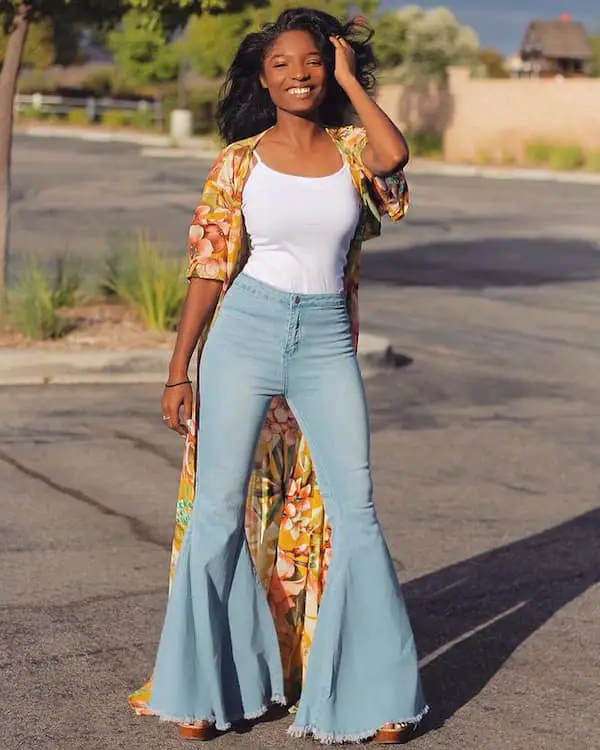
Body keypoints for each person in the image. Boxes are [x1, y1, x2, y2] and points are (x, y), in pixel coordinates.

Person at [129, 7, 428, 744]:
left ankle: (379, 696)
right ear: (262, 81)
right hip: (246, 331)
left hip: (325, 337)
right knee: (217, 513)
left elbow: (396, 156)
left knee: (355, 511)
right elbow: (206, 269)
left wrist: (354, 82)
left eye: (312, 62)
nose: (299, 74)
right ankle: (200, 693)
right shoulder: (238, 160)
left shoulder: (355, 147)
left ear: (329, 67)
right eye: (281, 65)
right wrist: (178, 371)